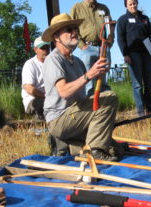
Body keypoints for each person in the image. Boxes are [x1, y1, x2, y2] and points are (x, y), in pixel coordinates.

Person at [41, 13, 122, 161]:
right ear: (56, 37)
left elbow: (87, 91)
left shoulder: (77, 61)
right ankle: (94, 153)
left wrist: (99, 73)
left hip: (76, 114)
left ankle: (71, 146)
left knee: (115, 148)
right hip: (60, 119)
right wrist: (90, 75)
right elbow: (64, 92)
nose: (74, 32)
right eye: (68, 29)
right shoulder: (53, 60)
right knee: (110, 98)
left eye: (75, 28)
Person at [117, 0, 151, 117]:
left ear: (137, 3)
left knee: (150, 83)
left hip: (147, 53)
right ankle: (141, 113)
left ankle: (150, 111)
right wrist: (125, 54)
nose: (133, 5)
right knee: (137, 85)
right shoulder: (122, 20)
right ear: (126, 5)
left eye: (134, 3)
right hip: (133, 54)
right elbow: (120, 39)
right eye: (130, 4)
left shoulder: (144, 18)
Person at [70, 0, 114, 96]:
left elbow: (110, 26)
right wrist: (82, 45)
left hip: (103, 47)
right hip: (87, 48)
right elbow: (72, 28)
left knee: (103, 83)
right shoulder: (77, 8)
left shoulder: (104, 8)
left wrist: (108, 43)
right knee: (88, 83)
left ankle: (103, 107)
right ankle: (90, 108)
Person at [21, 36, 50, 120]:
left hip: (48, 97)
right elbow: (29, 89)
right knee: (49, 103)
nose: (45, 50)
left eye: (47, 47)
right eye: (42, 48)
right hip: (33, 99)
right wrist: (46, 96)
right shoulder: (30, 64)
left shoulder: (52, 63)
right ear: (35, 50)